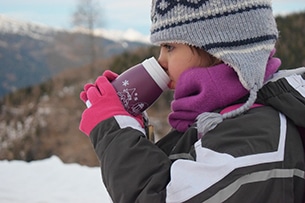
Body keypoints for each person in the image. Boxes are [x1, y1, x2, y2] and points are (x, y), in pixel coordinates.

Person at [79, 0, 305, 202]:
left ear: (220, 49)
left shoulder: (255, 134)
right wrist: (131, 124)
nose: (161, 61)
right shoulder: (221, 117)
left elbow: (163, 196)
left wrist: (114, 132)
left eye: (170, 47)